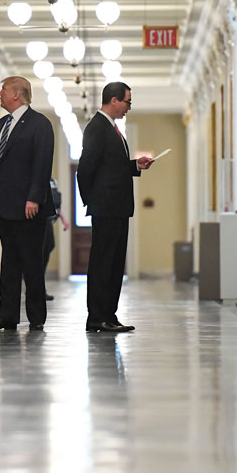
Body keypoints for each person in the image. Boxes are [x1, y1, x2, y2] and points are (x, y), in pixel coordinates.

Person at [77, 82, 154, 333]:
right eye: (127, 102)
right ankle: (97, 317)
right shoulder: (97, 128)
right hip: (106, 207)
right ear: (113, 100)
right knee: (103, 263)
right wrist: (91, 200)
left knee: (115, 263)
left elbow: (111, 167)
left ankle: (109, 315)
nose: (129, 107)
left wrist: (135, 166)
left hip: (117, 207)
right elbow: (85, 168)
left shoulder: (113, 129)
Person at [0, 76, 55, 331]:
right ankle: (7, 316)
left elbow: (42, 164)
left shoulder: (39, 124)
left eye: (3, 90)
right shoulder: (2, 124)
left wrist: (34, 197)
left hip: (28, 207)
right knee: (9, 262)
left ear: (16, 95)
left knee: (32, 263)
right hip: (4, 206)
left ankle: (36, 318)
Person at [42, 178, 69, 301]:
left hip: (48, 221)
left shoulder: (52, 181)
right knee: (39, 253)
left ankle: (40, 288)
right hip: (40, 220)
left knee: (48, 247)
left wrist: (63, 220)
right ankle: (37, 290)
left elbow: (56, 205)